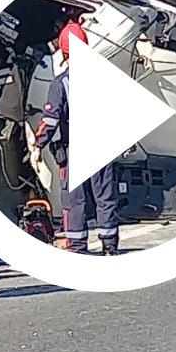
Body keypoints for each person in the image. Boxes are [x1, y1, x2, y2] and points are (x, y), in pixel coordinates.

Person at [34, 21, 121, 255]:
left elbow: (50, 120)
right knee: (105, 197)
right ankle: (110, 245)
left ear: (63, 52)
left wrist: (37, 145)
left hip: (75, 147)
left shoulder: (61, 83)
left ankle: (78, 246)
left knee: (75, 200)